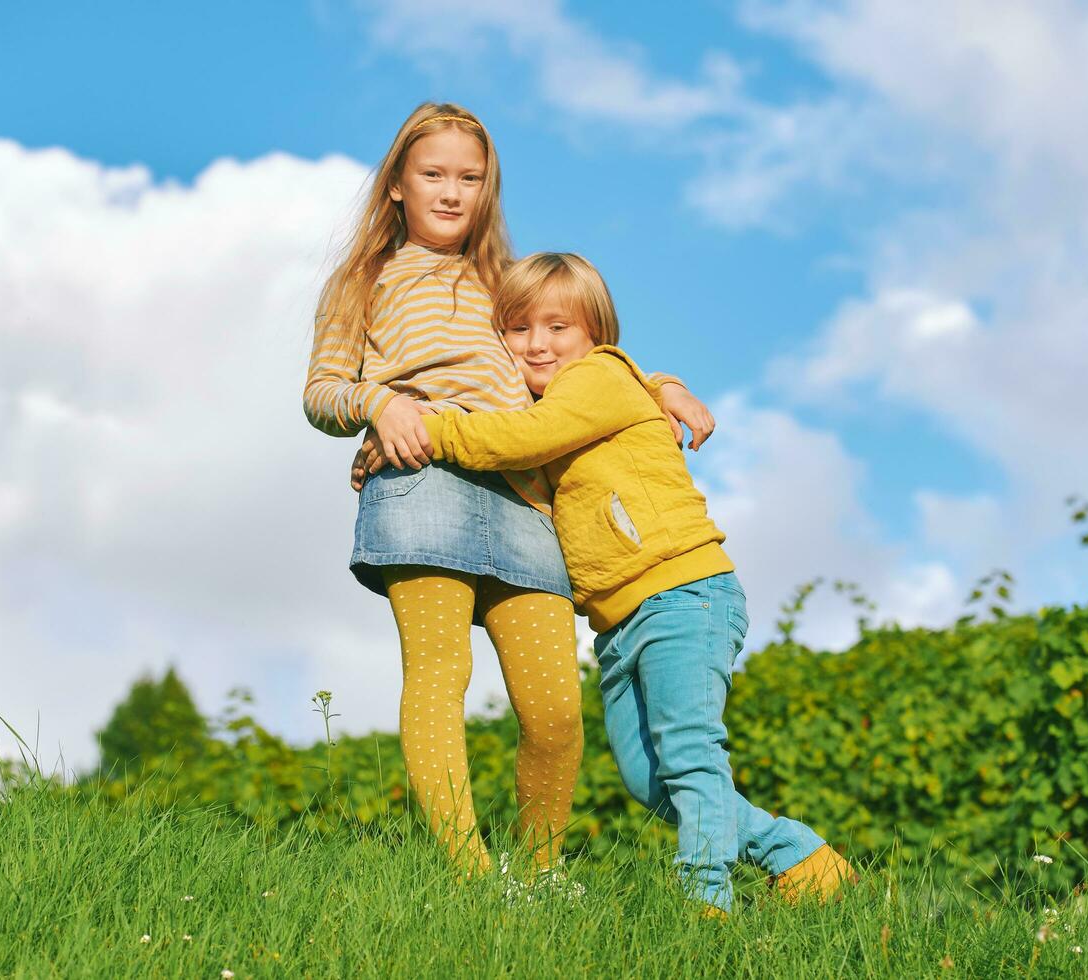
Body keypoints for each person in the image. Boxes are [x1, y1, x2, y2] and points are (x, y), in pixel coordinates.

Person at [364, 252, 856, 911]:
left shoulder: (594, 380)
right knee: (650, 780)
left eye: (556, 327)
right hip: (619, 623)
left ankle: (704, 906)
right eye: (516, 329)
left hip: (682, 593)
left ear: (595, 333)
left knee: (688, 759)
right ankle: (804, 862)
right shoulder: (585, 387)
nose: (536, 343)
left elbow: (521, 438)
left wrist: (422, 426)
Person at [303, 105, 714, 876]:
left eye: (470, 177)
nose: (452, 192)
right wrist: (379, 403)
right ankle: (469, 875)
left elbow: (569, 353)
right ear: (396, 185)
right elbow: (322, 390)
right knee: (439, 675)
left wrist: (660, 385)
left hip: (524, 500)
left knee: (555, 713)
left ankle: (538, 877)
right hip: (421, 480)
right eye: (433, 175)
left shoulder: (502, 281)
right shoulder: (360, 281)